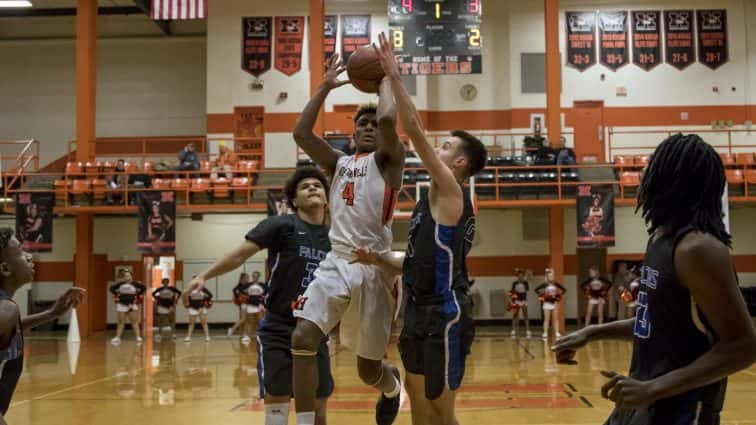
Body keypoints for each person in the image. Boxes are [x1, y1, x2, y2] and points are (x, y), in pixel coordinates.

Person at [554, 134, 756, 424]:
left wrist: (653, 388)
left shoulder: (699, 248)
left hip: (682, 409)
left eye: (654, 164)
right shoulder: (660, 238)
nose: (644, 170)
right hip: (642, 396)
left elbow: (744, 346)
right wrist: (592, 333)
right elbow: (655, 324)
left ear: (673, 179)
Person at [348, 33, 485, 425]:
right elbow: (412, 259)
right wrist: (375, 257)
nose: (435, 150)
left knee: (441, 412)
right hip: (417, 312)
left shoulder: (452, 193)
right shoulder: (431, 204)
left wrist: (392, 76)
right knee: (420, 409)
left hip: (446, 312)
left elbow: (416, 133)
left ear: (459, 163)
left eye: (445, 148)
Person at [289, 50, 406, 425]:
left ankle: (391, 387)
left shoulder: (389, 161)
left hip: (375, 267)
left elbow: (389, 117)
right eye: (363, 123)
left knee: (367, 371)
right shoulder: (338, 163)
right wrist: (323, 87)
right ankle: (307, 422)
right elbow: (301, 134)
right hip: (336, 259)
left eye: (374, 123)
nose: (371, 126)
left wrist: (387, 77)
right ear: (353, 132)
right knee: (302, 338)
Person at [188, 166, 334, 425]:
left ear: (326, 197)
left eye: (318, 185)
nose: (312, 188)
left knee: (317, 413)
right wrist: (204, 276)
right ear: (293, 201)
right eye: (304, 186)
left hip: (314, 330)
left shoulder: (336, 237)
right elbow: (239, 254)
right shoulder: (282, 225)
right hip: (278, 328)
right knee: (277, 414)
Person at [0, 228, 85, 422]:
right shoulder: (6, 309)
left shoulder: (7, 311)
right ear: (5, 269)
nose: (29, 256)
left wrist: (50, 314)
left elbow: (12, 328)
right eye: (21, 252)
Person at [110, 270, 146, 345]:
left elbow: (144, 288)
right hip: (121, 304)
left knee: (134, 322)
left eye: (128, 276)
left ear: (131, 276)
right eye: (125, 276)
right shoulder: (120, 284)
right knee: (121, 322)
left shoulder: (135, 283)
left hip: (132, 304)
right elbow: (111, 288)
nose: (127, 277)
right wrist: (117, 294)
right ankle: (117, 337)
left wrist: (137, 294)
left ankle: (138, 337)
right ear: (123, 277)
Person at [534, 268, 566, 339]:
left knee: (556, 318)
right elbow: (536, 289)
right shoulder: (545, 284)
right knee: (546, 319)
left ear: (553, 276)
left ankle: (557, 332)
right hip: (547, 303)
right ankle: (545, 332)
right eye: (549, 276)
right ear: (547, 277)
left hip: (554, 303)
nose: (551, 277)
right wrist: (542, 295)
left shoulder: (555, 283)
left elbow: (564, 289)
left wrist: (558, 295)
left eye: (552, 276)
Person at [152, 277, 182, 341]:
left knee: (171, 320)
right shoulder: (160, 289)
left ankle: (173, 334)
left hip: (170, 306)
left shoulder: (172, 288)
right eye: (164, 282)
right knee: (161, 321)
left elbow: (179, 292)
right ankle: (160, 334)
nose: (165, 283)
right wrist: (157, 298)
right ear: (162, 283)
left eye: (167, 282)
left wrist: (176, 299)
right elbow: (153, 293)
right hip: (161, 306)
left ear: (168, 282)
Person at [509, 269, 532, 338]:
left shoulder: (525, 283)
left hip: (523, 301)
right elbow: (512, 292)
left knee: (525, 315)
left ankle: (528, 330)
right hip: (516, 301)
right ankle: (513, 330)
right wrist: (513, 300)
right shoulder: (514, 283)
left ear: (523, 276)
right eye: (519, 276)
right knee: (515, 316)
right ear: (517, 276)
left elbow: (527, 290)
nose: (520, 277)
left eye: (522, 276)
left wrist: (528, 277)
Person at [228, 272, 251, 339]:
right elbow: (235, 291)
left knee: (246, 320)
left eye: (248, 277)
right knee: (243, 319)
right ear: (243, 278)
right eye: (247, 277)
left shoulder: (248, 284)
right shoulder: (240, 285)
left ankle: (244, 334)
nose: (248, 278)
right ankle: (232, 329)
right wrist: (239, 297)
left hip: (248, 304)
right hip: (244, 304)